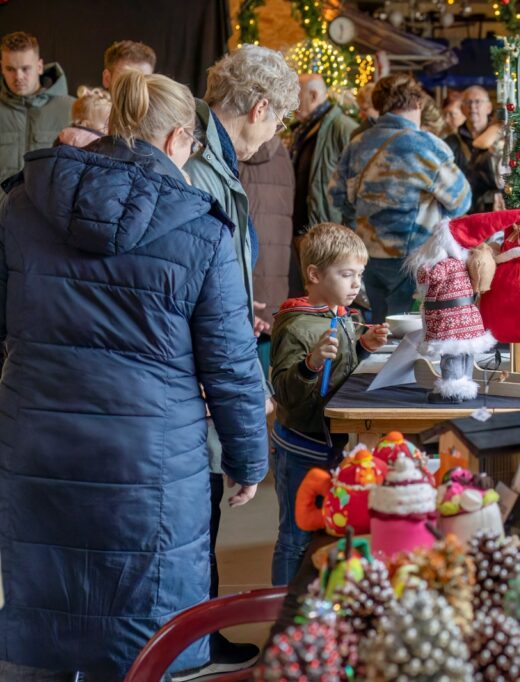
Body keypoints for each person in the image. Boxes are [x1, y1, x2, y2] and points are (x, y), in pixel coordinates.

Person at [0, 69, 267, 681]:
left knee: (47, 606)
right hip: (151, 456)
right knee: (147, 628)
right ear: (178, 139)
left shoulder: (21, 204)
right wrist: (248, 460)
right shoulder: (201, 229)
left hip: (37, 439)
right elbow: (230, 366)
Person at [183, 44, 299, 678]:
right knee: (196, 509)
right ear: (258, 109)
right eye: (277, 121)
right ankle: (190, 641)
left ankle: (197, 636)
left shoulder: (209, 159)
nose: (274, 135)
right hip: (191, 371)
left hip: (200, 353)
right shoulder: (203, 166)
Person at [269, 223, 388, 584]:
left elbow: (343, 369)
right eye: (347, 274)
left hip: (330, 442)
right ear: (315, 274)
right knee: (296, 532)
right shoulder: (295, 327)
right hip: (302, 446)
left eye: (359, 276)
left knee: (326, 523)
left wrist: (364, 345)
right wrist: (311, 363)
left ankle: (315, 600)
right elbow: (284, 392)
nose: (356, 285)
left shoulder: (339, 315)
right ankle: (282, 611)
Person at [331, 73, 471, 322]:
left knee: (378, 331)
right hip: (413, 259)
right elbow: (462, 200)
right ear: (417, 103)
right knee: (409, 333)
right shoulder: (427, 145)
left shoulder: (358, 143)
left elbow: (338, 195)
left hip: (368, 255)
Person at [289, 73, 358, 294]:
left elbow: (356, 181)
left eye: (297, 96)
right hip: (303, 232)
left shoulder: (343, 127)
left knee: (327, 298)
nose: (293, 103)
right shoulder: (303, 129)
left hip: (328, 233)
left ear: (314, 94)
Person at [240, 135, 295, 370]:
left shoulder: (231, 155)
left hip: (242, 259)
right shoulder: (281, 153)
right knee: (265, 330)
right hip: (275, 260)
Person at [0, 31, 72, 186]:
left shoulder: (71, 110)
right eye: (10, 69)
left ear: (39, 67)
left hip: (50, 210)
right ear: (1, 68)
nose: (18, 76)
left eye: (25, 68)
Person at [445, 84, 500, 213]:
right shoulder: (450, 143)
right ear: (462, 109)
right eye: (468, 102)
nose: (472, 106)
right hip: (463, 214)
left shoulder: (502, 139)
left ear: (489, 107)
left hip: (494, 213)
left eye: (478, 102)